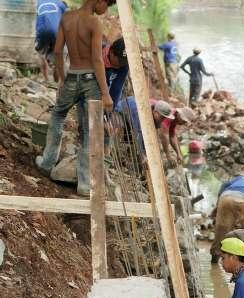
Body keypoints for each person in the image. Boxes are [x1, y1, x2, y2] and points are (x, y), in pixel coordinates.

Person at [35, 0, 117, 196]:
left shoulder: (67, 17)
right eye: (107, 4)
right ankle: (85, 183)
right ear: (99, 1)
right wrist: (105, 93)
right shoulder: (94, 23)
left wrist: (62, 79)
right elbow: (97, 59)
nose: (106, 10)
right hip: (91, 81)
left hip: (72, 76)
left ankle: (47, 162)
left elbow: (57, 51)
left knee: (58, 115)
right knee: (89, 129)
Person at [115, 96, 194, 166]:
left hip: (134, 116)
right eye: (183, 121)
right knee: (134, 135)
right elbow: (163, 136)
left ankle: (132, 154)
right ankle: (127, 154)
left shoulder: (169, 116)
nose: (183, 123)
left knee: (141, 140)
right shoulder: (159, 114)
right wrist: (167, 155)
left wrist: (178, 153)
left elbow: (172, 135)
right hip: (121, 113)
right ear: (180, 115)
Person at [35, 0, 68, 82]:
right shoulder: (61, 4)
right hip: (56, 31)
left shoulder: (37, 3)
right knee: (58, 56)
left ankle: (46, 80)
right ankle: (58, 81)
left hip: (41, 31)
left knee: (41, 54)